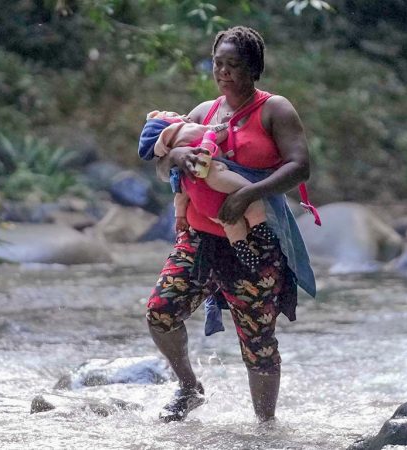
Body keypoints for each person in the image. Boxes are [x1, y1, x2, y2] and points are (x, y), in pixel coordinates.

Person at [145, 25, 316, 423]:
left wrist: (247, 194)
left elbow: (300, 166)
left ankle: (265, 428)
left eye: (233, 64)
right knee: (160, 312)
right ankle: (189, 387)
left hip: (254, 242)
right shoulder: (203, 112)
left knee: (257, 341)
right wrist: (177, 160)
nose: (223, 72)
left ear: (253, 68)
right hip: (201, 237)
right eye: (218, 63)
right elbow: (162, 163)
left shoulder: (275, 109)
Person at [138, 109, 268, 251]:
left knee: (239, 226)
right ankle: (255, 239)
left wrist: (250, 193)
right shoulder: (200, 113)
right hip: (196, 239)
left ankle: (255, 242)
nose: (183, 115)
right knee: (237, 222)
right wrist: (174, 155)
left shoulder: (272, 109)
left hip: (249, 219)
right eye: (175, 116)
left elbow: (296, 168)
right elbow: (163, 173)